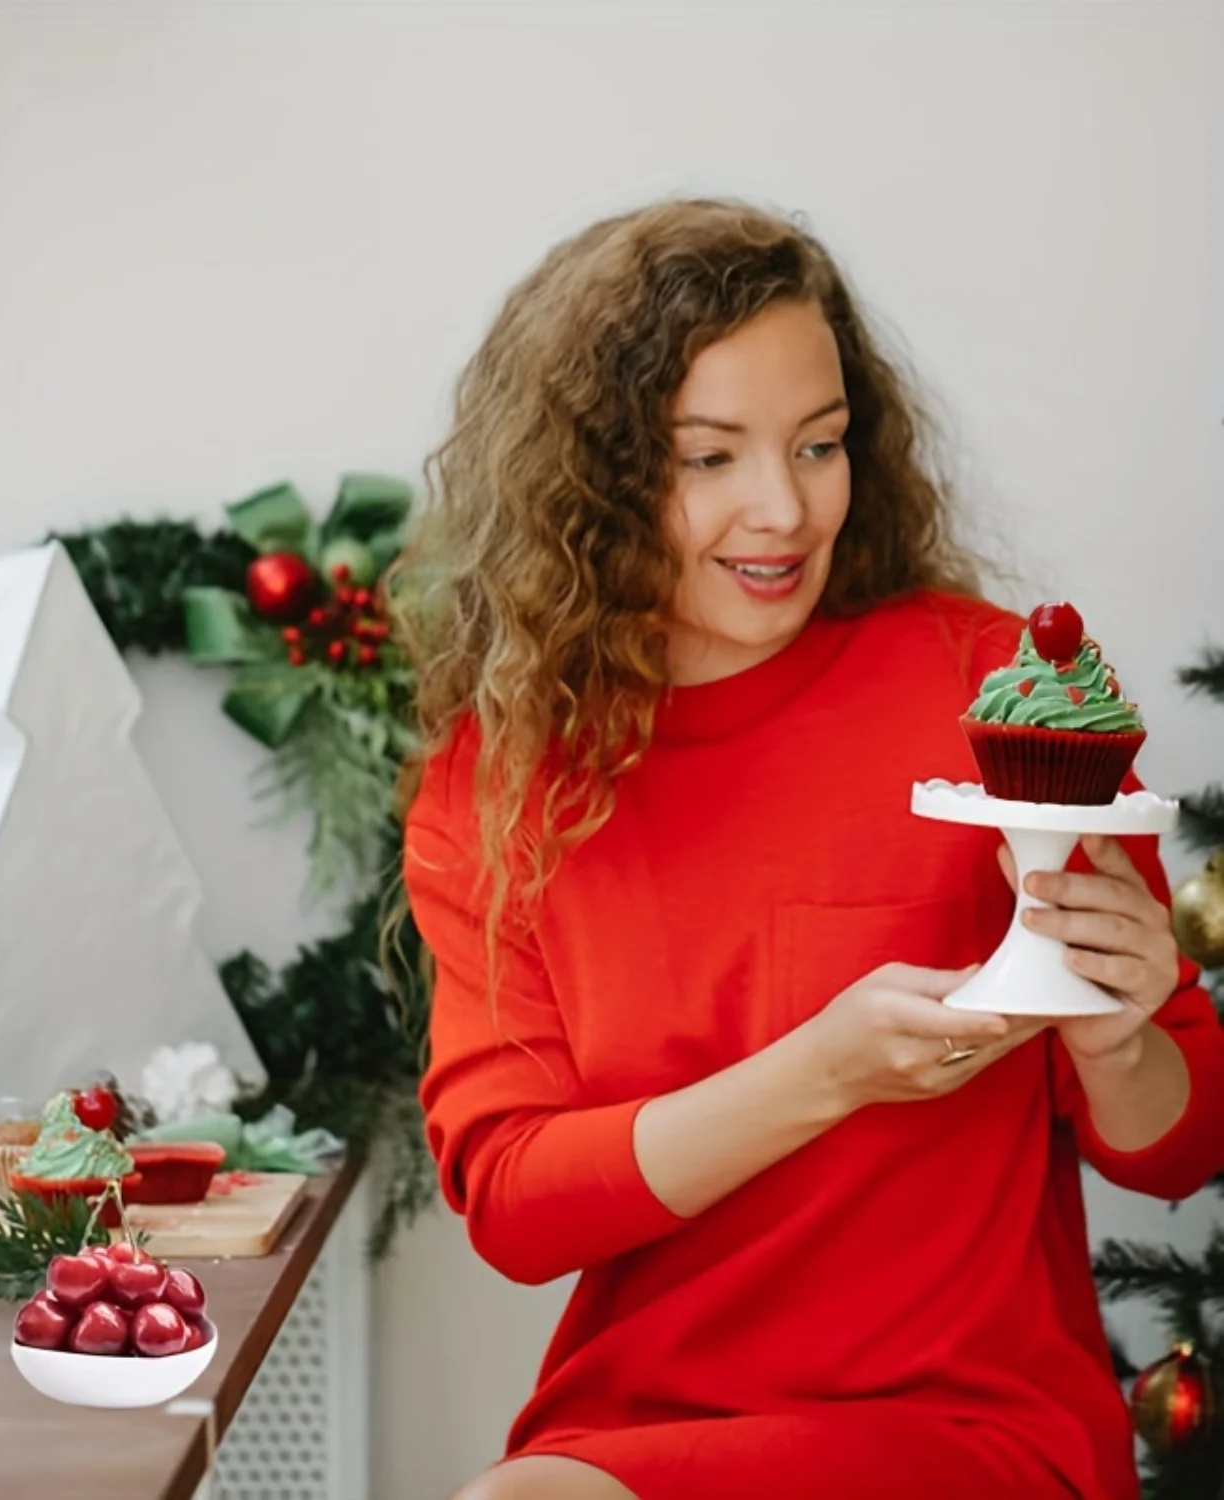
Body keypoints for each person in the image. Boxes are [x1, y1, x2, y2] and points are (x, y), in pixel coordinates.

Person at [389, 198, 1224, 1500]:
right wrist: (822, 1075)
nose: (782, 509)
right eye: (709, 458)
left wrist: (1117, 1033)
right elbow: (513, 1200)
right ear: (595, 478)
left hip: (971, 1428)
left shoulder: (996, 685)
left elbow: (1177, 1148)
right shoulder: (497, 787)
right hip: (642, 1425)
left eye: (820, 445)